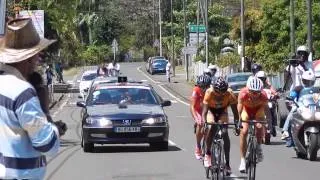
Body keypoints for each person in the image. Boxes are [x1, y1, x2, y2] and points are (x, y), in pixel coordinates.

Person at [0, 18, 65, 179]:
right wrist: (48, 116)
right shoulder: (22, 92)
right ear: (28, 58)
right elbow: (46, 144)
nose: (38, 60)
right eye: (37, 55)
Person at [202, 77, 239, 174]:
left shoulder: (230, 93)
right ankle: (208, 154)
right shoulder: (209, 92)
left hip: (222, 112)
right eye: (218, 92)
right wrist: (204, 123)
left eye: (223, 92)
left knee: (225, 132)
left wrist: (237, 125)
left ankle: (227, 164)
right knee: (211, 128)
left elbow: (235, 113)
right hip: (211, 111)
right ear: (214, 89)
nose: (220, 95)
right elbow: (204, 112)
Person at [281, 45, 313, 141]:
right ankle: (285, 131)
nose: (302, 56)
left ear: (307, 55)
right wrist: (292, 63)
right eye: (300, 53)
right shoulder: (293, 65)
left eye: (304, 54)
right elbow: (287, 75)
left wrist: (302, 65)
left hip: (307, 91)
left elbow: (310, 74)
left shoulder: (309, 64)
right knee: (294, 110)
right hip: (295, 92)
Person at [238, 77, 268, 173]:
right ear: (248, 90)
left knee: (259, 127)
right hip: (246, 110)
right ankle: (242, 160)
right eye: (252, 92)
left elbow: (266, 109)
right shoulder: (243, 93)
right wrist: (239, 119)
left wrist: (267, 123)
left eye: (257, 92)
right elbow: (239, 106)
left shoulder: (263, 95)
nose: (255, 95)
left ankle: (258, 146)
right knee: (244, 131)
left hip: (258, 111)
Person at [190, 75, 211, 160]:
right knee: (200, 123)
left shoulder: (211, 90)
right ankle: (198, 146)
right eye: (201, 87)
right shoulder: (196, 90)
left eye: (205, 87)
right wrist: (196, 118)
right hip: (197, 110)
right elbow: (192, 106)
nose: (203, 89)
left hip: (208, 110)